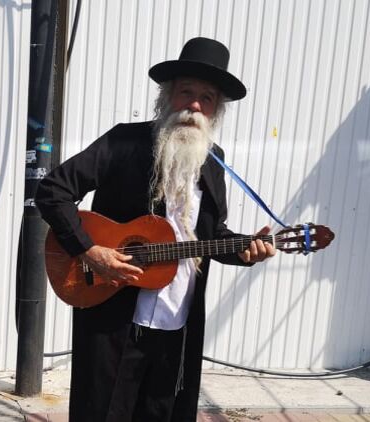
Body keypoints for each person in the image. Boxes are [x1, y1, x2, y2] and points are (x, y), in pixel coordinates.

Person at [35, 37, 276, 422]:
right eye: (187, 93)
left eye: (207, 98)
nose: (195, 105)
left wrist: (249, 250)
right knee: (103, 412)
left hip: (176, 326)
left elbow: (210, 238)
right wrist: (90, 251)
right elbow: (52, 191)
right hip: (115, 317)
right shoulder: (123, 142)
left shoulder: (215, 163)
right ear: (167, 95)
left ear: (216, 111)